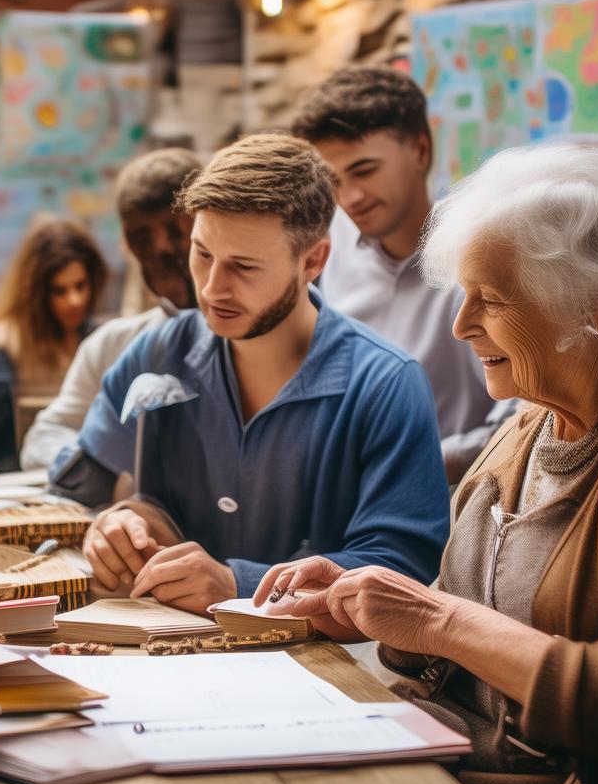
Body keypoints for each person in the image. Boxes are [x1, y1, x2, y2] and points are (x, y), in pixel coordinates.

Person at [255, 144, 598, 784]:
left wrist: (434, 618)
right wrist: (373, 610)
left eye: (495, 298)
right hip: (452, 779)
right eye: (464, 292)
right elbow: (467, 637)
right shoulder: (537, 413)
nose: (460, 325)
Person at [52, 133, 450, 613]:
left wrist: (236, 583)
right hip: (162, 656)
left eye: (243, 266)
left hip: (328, 673)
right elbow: (78, 488)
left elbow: (404, 567)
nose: (213, 288)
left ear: (313, 261)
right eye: (202, 254)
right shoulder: (155, 352)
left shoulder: (387, 385)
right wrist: (115, 524)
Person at [291, 66, 504, 482]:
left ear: (421, 151)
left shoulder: (486, 257)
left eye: (365, 170)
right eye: (333, 180)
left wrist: (419, 463)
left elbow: (526, 418)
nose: (349, 198)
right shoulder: (326, 249)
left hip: (461, 505)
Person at [20, 148, 200, 470]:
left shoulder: (252, 340)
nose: (160, 248)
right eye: (142, 236)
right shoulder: (111, 345)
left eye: (174, 230)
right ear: (127, 242)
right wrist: (110, 466)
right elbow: (42, 439)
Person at [0, 215, 106, 472]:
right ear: (38, 294)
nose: (74, 300)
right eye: (60, 291)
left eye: (80, 285)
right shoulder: (9, 345)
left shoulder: (99, 340)